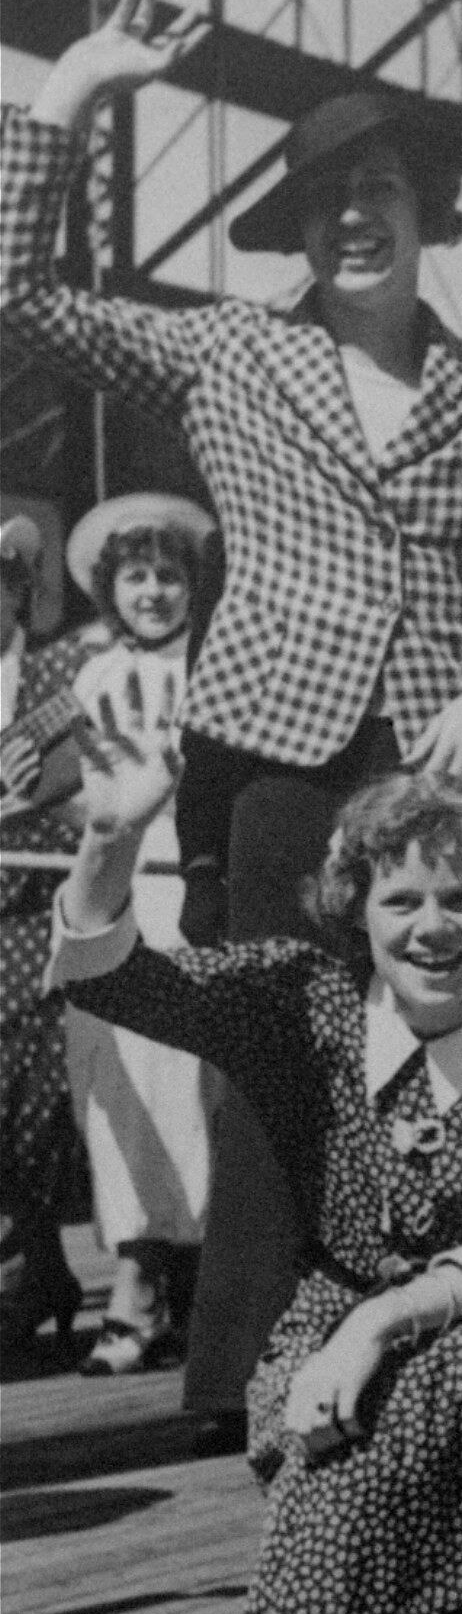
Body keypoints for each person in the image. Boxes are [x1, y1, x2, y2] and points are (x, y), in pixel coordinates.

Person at [3, 0, 462, 1438]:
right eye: (322, 204)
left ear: (426, 212)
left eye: (376, 193)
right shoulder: (229, 352)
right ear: (298, 232)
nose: (351, 225)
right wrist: (74, 88)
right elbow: (16, 298)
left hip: (450, 762)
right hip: (271, 753)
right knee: (273, 1040)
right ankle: (248, 1361)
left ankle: (455, 1345)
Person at [47, 688, 462, 1614]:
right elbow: (118, 984)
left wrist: (378, 1326)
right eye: (401, 898)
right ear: (355, 905)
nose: (432, 927)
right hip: (323, 1351)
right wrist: (110, 837)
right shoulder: (299, 999)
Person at [57, 495, 223, 1375]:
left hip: (188, 886)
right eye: (136, 575)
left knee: (190, 1088)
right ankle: (135, 1275)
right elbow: (46, 782)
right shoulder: (84, 678)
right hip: (115, 886)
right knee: (113, 1084)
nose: (153, 592)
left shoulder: (220, 665)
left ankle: (180, 1284)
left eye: (168, 575)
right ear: (109, 588)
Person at [0, 515, 89, 1361]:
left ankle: (44, 1263)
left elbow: (100, 756)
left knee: (36, 1089)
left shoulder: (63, 671)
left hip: (37, 899)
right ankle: (41, 1266)